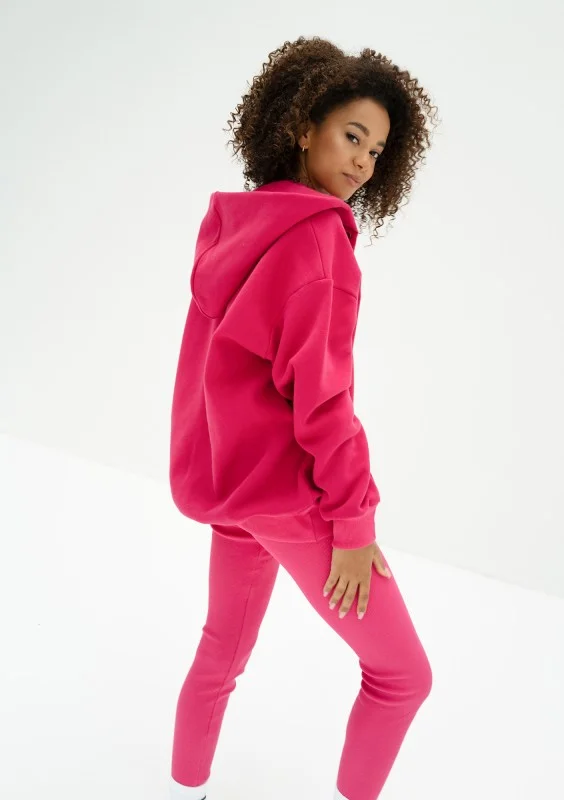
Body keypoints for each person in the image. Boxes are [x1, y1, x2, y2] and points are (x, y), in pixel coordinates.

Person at [168, 35, 439, 800]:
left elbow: (207, 374)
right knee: (403, 676)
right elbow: (324, 404)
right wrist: (353, 525)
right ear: (302, 125)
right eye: (352, 136)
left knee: (221, 649)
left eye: (377, 151)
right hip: (290, 497)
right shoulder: (320, 243)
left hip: (230, 490)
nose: (363, 162)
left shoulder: (235, 225)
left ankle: (184, 785)